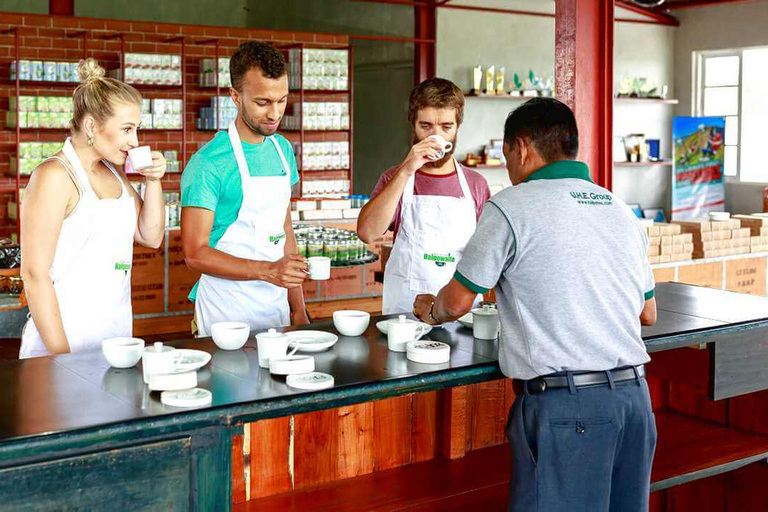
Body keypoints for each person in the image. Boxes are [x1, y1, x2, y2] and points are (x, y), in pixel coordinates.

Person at [413, 98, 658, 511]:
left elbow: (456, 304)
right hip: (635, 402)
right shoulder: (618, 209)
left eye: (508, 156)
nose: (509, 168)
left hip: (569, 409)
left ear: (522, 148)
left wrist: (430, 310)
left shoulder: (512, 205)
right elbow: (646, 313)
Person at [20, 58, 167, 358]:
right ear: (91, 125)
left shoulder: (115, 174)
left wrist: (153, 181)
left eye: (136, 129)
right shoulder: (54, 176)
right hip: (62, 346)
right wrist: (64, 360)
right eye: (127, 129)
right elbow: (34, 276)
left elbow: (151, 236)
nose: (134, 141)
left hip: (114, 339)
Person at [181, 42, 309, 337]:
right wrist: (268, 271)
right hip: (226, 313)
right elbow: (195, 254)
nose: (275, 113)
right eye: (262, 102)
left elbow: (284, 229)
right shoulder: (209, 163)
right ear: (235, 97)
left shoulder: (282, 151)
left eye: (282, 100)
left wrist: (297, 307)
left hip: (276, 309)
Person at [357, 78, 491, 315]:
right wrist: (407, 170)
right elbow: (367, 232)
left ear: (458, 126)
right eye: (426, 126)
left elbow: (487, 254)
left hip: (461, 313)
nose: (435, 136)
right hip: (405, 314)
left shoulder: (476, 185)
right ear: (413, 124)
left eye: (446, 127)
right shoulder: (394, 178)